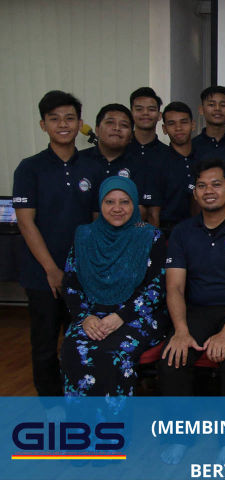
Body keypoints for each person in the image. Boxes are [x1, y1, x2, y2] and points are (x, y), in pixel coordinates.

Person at [13, 90, 102, 396]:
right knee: (45, 344)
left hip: (84, 274)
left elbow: (97, 223)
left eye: (69, 118)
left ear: (79, 123)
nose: (63, 124)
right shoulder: (29, 168)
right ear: (43, 125)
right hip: (42, 274)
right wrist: (52, 269)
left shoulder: (93, 167)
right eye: (54, 119)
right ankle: (50, 406)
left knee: (82, 342)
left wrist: (91, 269)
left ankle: (80, 401)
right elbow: (26, 222)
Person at [158, 157, 225, 397]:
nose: (208, 191)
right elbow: (174, 287)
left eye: (216, 184)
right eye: (201, 186)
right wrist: (181, 330)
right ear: (195, 193)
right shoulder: (182, 232)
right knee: (172, 360)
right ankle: (180, 423)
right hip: (197, 311)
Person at [60, 176, 166, 396]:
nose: (117, 208)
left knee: (113, 353)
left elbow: (156, 288)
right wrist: (85, 317)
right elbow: (71, 285)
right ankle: (82, 417)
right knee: (73, 348)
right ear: (101, 204)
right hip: (91, 316)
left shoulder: (150, 236)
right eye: (109, 202)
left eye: (124, 202)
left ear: (134, 204)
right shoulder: (84, 235)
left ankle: (114, 416)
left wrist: (120, 317)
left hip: (137, 317)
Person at [143, 101, 198, 234]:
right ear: (164, 129)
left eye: (184, 122)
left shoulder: (204, 159)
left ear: (193, 125)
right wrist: (157, 242)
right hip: (167, 233)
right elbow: (152, 214)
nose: (178, 128)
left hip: (200, 233)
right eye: (172, 123)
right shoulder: (156, 162)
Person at [80, 104, 146, 206]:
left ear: (131, 136)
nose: (117, 128)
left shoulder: (141, 165)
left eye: (124, 125)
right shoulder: (78, 161)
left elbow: (143, 208)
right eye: (110, 123)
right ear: (97, 130)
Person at [127, 88, 169, 222]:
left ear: (159, 115)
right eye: (139, 109)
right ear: (131, 113)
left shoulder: (168, 155)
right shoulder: (120, 152)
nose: (145, 113)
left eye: (151, 109)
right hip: (121, 229)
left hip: (159, 228)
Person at [192, 85, 225, 159]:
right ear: (201, 110)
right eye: (211, 105)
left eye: (223, 105)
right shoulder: (192, 147)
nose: (217, 108)